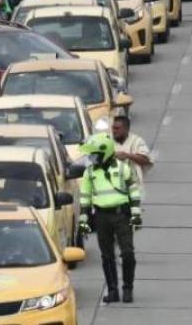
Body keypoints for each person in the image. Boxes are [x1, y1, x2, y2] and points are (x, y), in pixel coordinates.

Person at [78, 132, 142, 304]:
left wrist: (136, 214)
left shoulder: (123, 168)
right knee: (107, 256)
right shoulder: (89, 173)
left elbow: (134, 191)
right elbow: (85, 197)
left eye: (94, 154)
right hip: (101, 217)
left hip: (121, 215)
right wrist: (83, 221)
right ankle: (113, 291)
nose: (91, 158)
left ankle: (127, 288)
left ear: (105, 153)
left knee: (128, 254)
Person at [112, 112, 154, 187]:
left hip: (134, 185)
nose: (114, 131)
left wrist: (127, 156)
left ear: (126, 129)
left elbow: (146, 160)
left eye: (117, 128)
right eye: (113, 128)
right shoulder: (108, 142)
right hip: (114, 185)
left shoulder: (137, 141)